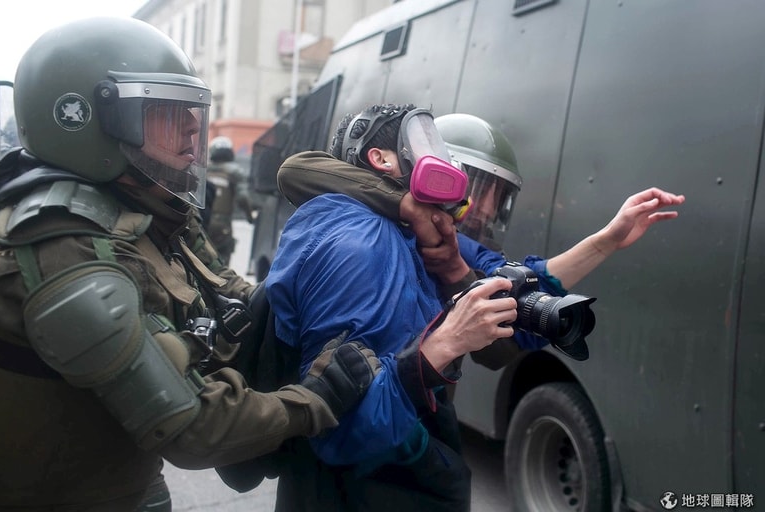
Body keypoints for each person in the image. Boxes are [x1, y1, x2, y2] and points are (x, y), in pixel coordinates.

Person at [0, 18, 393, 512]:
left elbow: (233, 292)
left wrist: (313, 290)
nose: (191, 126)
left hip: (122, 474)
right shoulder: (68, 255)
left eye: (191, 109)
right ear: (88, 123)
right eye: (166, 111)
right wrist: (318, 398)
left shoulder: (145, 209)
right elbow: (192, 428)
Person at [268, 105, 684, 511]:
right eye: (476, 186)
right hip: (359, 480)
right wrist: (440, 351)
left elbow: (521, 289)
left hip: (400, 459)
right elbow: (340, 421)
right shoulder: (361, 241)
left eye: (496, 195)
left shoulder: (437, 239)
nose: (481, 206)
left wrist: (606, 240)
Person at [204, 135, 257, 265]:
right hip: (223, 226)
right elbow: (242, 198)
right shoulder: (235, 172)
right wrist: (250, 217)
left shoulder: (204, 170)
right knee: (222, 264)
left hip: (202, 221)